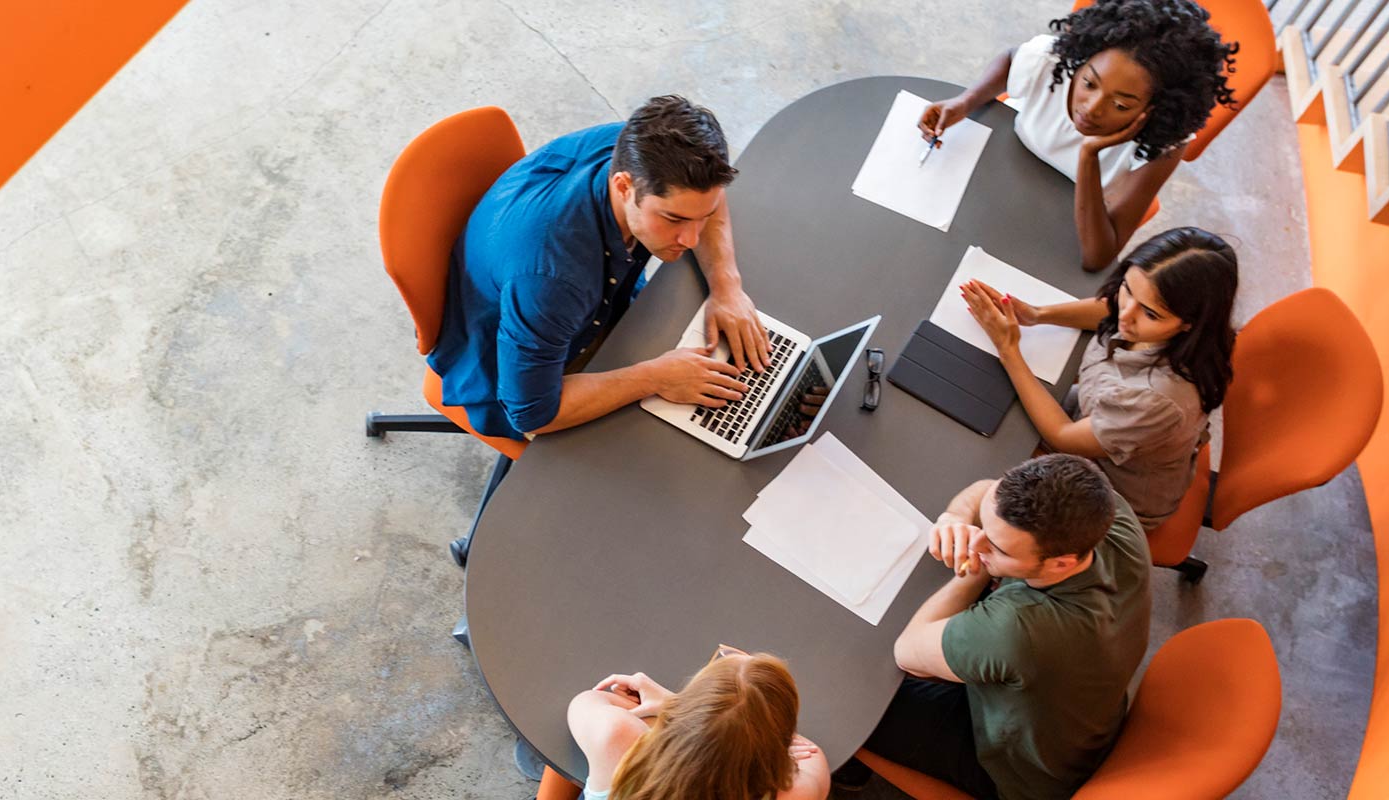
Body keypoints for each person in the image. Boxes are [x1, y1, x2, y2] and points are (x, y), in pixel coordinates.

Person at [429, 95, 772, 445]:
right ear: (624, 186)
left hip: (584, 304)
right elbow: (532, 412)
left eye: (703, 217)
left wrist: (726, 287)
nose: (690, 238)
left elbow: (704, 199)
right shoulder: (552, 281)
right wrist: (656, 377)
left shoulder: (643, 153)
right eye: (674, 219)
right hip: (514, 372)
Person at [833, 455, 1150, 800]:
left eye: (997, 547)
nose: (980, 541)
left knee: (846, 695)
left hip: (1015, 770)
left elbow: (908, 652)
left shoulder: (1019, 628)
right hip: (1073, 723)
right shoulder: (1107, 514)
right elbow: (986, 490)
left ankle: (849, 762)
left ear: (1061, 563)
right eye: (984, 525)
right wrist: (953, 518)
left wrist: (976, 564)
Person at [918, 0, 1238, 270]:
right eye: (1089, 83)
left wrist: (1089, 155)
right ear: (1082, 61)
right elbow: (1011, 58)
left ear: (1154, 109)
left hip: (1054, 224)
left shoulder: (1161, 147)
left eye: (1120, 104)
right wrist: (965, 101)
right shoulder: (1051, 60)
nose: (1093, 108)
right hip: (995, 177)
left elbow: (1097, 258)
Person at [960, 227, 1237, 529]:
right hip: (1092, 419)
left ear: (1190, 324)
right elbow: (1110, 309)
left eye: (1150, 313)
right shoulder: (1150, 318)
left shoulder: (1157, 398)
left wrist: (1008, 350)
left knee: (975, 482)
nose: (1125, 315)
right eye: (1128, 289)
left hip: (1110, 496)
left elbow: (1064, 438)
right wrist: (1038, 314)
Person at [568, 646, 831, 800]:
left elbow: (586, 701)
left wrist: (676, 707)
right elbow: (809, 751)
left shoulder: (618, 736)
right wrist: (774, 750)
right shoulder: (797, 791)